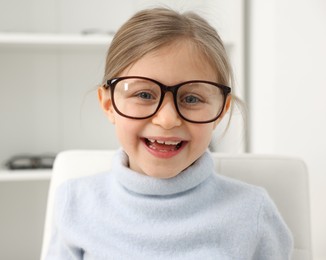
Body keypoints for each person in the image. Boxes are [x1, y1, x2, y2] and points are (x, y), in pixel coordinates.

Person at [46, 7, 293, 260]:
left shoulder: (253, 212)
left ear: (220, 111)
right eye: (144, 94)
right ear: (109, 105)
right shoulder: (74, 203)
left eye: (192, 98)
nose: (167, 120)